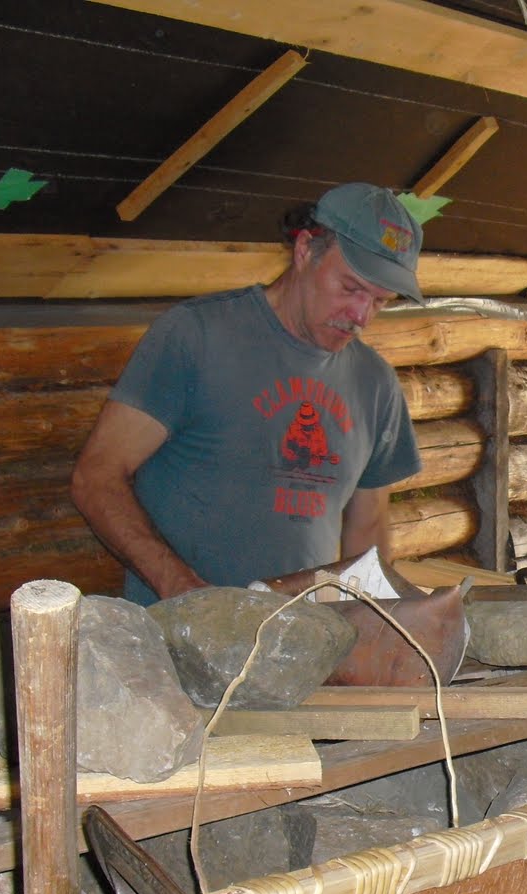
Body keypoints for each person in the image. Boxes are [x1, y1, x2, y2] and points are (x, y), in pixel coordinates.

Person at [71, 182, 425, 604]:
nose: (361, 316)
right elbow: (96, 477)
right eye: (351, 289)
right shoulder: (197, 336)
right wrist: (182, 590)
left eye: (381, 302)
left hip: (299, 642)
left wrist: (375, 627)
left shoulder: (375, 384)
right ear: (305, 250)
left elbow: (367, 531)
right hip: (176, 642)